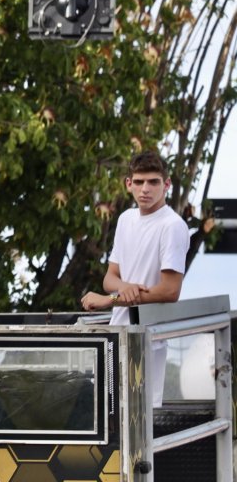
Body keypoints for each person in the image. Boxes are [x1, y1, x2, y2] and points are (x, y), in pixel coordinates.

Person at [81, 151, 189, 408]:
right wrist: (123, 288)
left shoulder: (172, 226)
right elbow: (111, 277)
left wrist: (111, 300)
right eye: (139, 182)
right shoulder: (125, 219)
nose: (145, 189)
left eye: (153, 182)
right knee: (109, 422)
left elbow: (169, 291)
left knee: (140, 426)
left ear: (167, 184)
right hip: (115, 335)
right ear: (128, 184)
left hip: (148, 340)